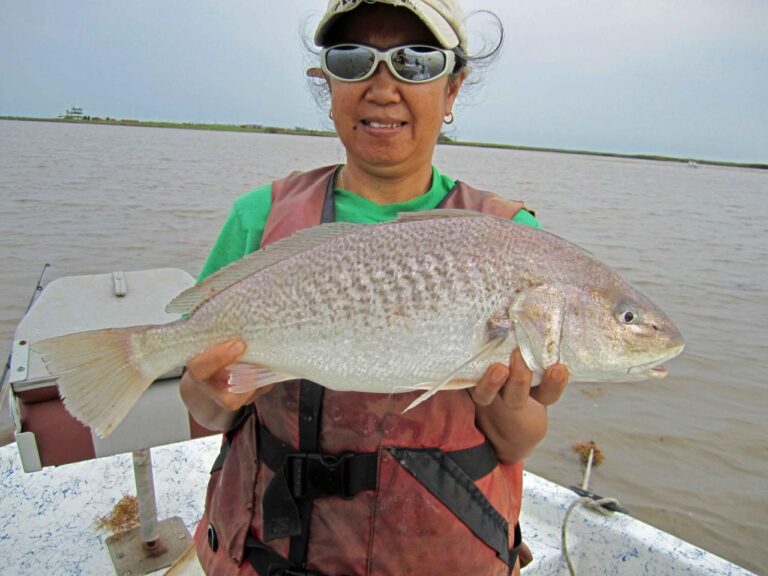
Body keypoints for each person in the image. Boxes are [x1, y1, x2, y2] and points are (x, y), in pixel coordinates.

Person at [180, 1, 569, 574]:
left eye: (415, 62)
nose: (383, 87)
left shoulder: (514, 242)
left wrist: (514, 408)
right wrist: (210, 392)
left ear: (453, 91)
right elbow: (202, 410)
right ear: (328, 84)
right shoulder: (257, 218)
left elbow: (516, 442)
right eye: (353, 60)